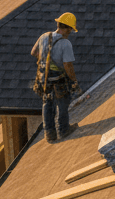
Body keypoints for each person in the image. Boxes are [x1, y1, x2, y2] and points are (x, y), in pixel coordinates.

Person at [31, 12, 80, 143]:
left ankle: (49, 134)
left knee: (47, 103)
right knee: (63, 103)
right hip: (59, 79)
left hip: (44, 79)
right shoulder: (65, 44)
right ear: (68, 28)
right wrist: (74, 81)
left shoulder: (44, 37)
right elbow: (68, 65)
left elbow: (34, 52)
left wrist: (46, 61)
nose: (70, 32)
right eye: (70, 29)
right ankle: (63, 130)